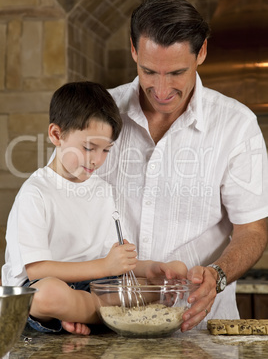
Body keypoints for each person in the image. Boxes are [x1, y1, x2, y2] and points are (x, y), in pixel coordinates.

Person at [97, 0, 268, 331]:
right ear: (133, 49)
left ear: (201, 52)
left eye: (176, 72)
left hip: (199, 331)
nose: (161, 90)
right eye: (149, 71)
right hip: (106, 325)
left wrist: (217, 275)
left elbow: (252, 231)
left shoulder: (237, 125)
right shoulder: (97, 114)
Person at [1, 81, 187, 335]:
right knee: (46, 294)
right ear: (56, 135)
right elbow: (37, 269)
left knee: (159, 281)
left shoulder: (103, 190)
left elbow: (111, 263)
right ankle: (102, 315)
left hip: (92, 286)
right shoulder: (36, 193)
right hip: (37, 288)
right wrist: (105, 268)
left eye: (105, 150)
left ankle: (80, 314)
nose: (97, 160)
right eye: (88, 147)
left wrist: (151, 268)